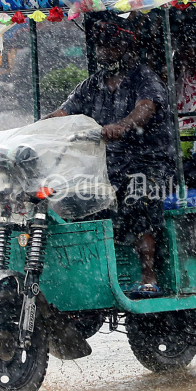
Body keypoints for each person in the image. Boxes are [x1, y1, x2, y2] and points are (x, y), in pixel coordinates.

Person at [43, 16, 175, 298]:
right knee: (67, 198)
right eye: (100, 46)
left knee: (137, 199)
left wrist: (124, 125)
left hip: (150, 163)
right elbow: (64, 112)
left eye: (111, 46)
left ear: (126, 48)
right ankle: (85, 275)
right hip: (107, 165)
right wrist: (39, 128)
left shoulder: (144, 78)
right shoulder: (92, 84)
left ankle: (148, 276)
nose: (104, 52)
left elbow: (145, 108)